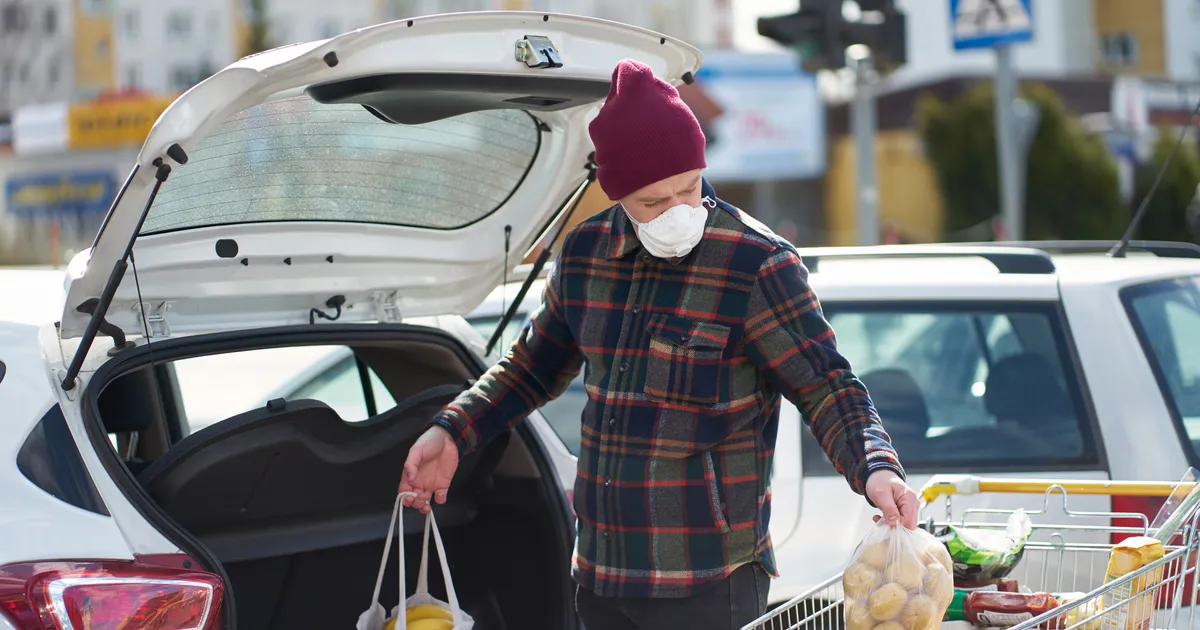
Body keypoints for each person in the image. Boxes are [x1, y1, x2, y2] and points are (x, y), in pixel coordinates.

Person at [400, 58, 919, 629]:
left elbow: (827, 386)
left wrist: (876, 468)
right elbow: (529, 369)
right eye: (651, 202)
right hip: (599, 576)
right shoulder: (583, 255)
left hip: (708, 583)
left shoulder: (756, 265)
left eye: (689, 188)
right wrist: (453, 428)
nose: (676, 212)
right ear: (615, 192)